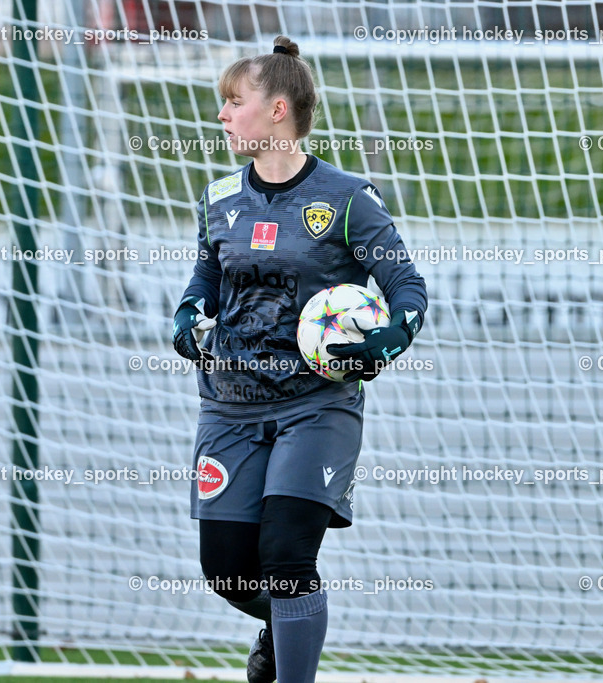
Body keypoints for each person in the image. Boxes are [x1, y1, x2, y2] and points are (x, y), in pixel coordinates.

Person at [172, 36, 428, 683]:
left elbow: (407, 290)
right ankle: (285, 627)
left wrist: (385, 341)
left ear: (278, 109)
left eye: (234, 101)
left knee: (286, 555)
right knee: (228, 569)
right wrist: (186, 311)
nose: (222, 115)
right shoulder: (220, 197)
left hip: (317, 404)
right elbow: (206, 276)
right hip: (229, 405)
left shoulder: (348, 199)